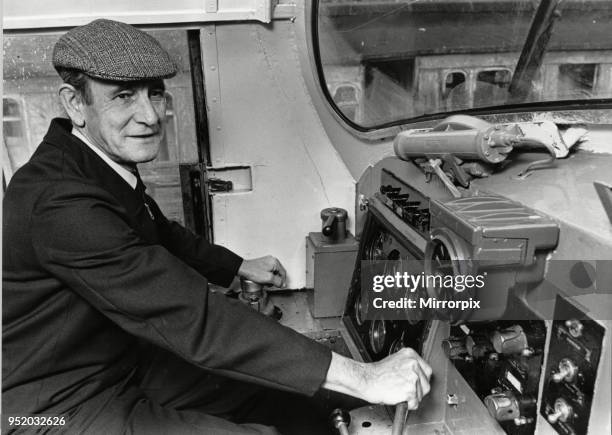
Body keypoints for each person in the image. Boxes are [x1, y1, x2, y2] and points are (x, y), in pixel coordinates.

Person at [2, 19, 432, 434]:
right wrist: (363, 377)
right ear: (75, 104)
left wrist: (238, 265)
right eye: (123, 96)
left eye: (155, 94)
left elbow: (158, 232)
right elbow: (192, 315)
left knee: (293, 401)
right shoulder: (60, 203)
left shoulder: (93, 166)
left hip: (122, 363)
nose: (150, 115)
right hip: (48, 408)